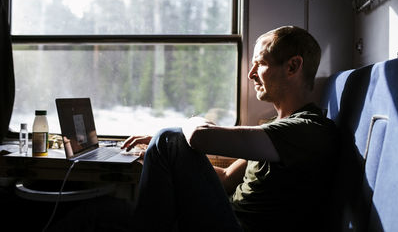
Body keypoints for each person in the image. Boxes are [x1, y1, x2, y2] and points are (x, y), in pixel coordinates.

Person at [120, 25, 339, 232]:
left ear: (292, 67)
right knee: (109, 209)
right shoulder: (275, 127)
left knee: (169, 138)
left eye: (260, 63)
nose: (251, 73)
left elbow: (199, 137)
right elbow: (225, 178)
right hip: (229, 217)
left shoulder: (306, 130)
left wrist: (188, 125)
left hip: (240, 227)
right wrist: (169, 160)